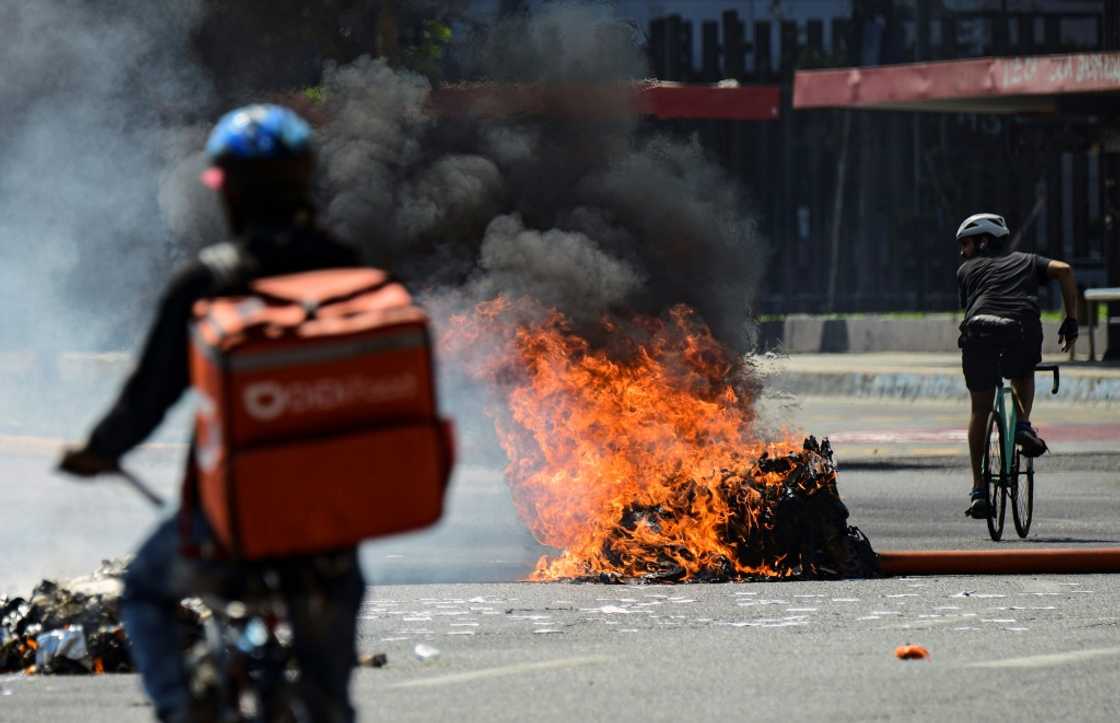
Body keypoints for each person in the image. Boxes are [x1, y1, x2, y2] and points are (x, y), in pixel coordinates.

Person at [58, 104, 366, 722]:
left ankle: (182, 709)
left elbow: (147, 398)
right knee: (331, 694)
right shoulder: (353, 275)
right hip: (326, 524)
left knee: (144, 591)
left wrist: (100, 452)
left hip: (229, 523)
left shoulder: (207, 281)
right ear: (305, 179)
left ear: (225, 191)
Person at [956, 212, 1079, 519]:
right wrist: (1071, 319)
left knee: (979, 411)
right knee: (1022, 373)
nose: (962, 251)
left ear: (983, 241)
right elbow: (1064, 270)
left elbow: (968, 306)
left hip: (978, 331)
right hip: (1019, 329)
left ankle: (979, 490)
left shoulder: (966, 270)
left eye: (966, 244)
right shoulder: (1027, 261)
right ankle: (1022, 424)